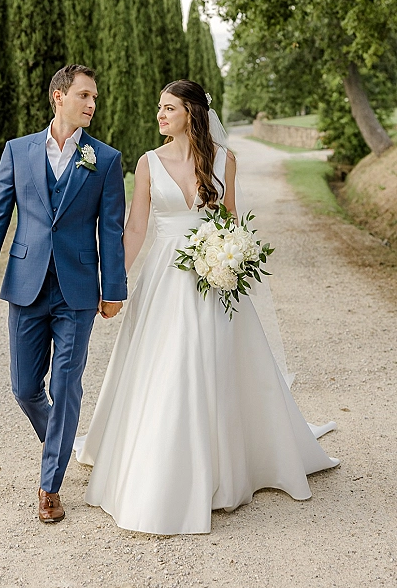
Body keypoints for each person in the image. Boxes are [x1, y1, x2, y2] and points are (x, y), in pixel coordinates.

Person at [75, 80, 339, 535]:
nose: (160, 115)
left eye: (169, 108)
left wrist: (232, 257)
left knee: (218, 362)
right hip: (163, 278)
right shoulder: (147, 164)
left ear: (192, 113)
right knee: (166, 366)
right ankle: (163, 466)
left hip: (211, 276)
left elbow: (231, 220)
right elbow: (136, 228)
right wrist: (111, 285)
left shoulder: (224, 160)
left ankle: (231, 465)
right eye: (159, 107)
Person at [0, 65, 127, 524]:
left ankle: (50, 484)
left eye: (95, 97)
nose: (92, 103)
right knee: (24, 387)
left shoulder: (106, 159)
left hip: (78, 290)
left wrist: (113, 288)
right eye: (83, 95)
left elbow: (111, 230)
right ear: (58, 97)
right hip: (26, 284)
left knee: (65, 384)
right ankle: (61, 440)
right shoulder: (17, 152)